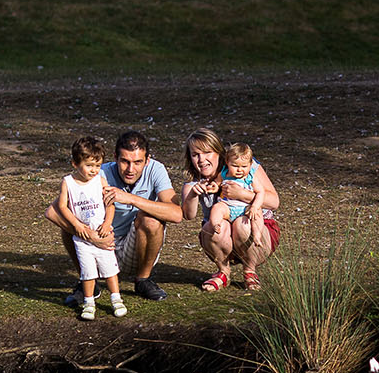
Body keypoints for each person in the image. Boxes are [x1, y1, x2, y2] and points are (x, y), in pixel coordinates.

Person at [109, 127, 279, 292]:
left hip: (257, 232)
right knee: (212, 227)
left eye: (207, 152)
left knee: (242, 225)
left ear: (220, 153)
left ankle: (250, 271)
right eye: (195, 155)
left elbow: (274, 201)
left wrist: (242, 194)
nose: (201, 159)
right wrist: (191, 196)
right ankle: (223, 272)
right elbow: (187, 216)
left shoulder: (243, 165)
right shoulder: (194, 184)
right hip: (225, 237)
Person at [43, 129, 175, 305]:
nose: (130, 169)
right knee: (70, 220)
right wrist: (91, 236)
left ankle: (143, 280)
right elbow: (52, 211)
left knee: (151, 220)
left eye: (137, 162)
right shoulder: (98, 172)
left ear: (147, 160)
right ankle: (88, 282)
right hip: (99, 241)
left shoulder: (156, 170)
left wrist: (131, 199)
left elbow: (176, 214)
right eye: (125, 161)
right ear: (115, 158)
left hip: (134, 246)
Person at [55, 135, 126, 320]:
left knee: (110, 269)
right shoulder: (68, 182)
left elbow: (110, 204)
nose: (94, 170)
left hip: (103, 233)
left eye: (97, 165)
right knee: (87, 272)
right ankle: (89, 302)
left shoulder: (100, 181)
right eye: (89, 166)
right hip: (82, 238)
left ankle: (116, 299)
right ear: (75, 163)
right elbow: (62, 206)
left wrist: (107, 223)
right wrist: (76, 224)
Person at [206, 142, 265, 233]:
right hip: (227, 207)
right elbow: (217, 183)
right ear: (227, 162)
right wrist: (214, 187)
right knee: (217, 208)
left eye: (244, 166)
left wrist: (254, 206)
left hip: (245, 208)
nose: (239, 170)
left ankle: (257, 234)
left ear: (250, 164)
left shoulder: (250, 177)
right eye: (235, 166)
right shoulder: (224, 174)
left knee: (257, 213)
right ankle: (216, 224)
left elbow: (261, 192)